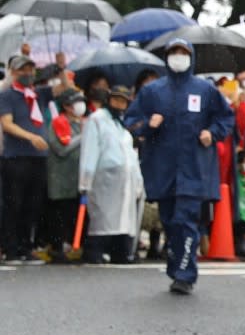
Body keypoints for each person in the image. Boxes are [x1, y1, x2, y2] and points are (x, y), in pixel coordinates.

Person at [124, 39, 234, 294]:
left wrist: (212, 132)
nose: (178, 57)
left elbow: (225, 117)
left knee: (186, 220)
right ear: (167, 57)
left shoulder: (204, 90)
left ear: (191, 57)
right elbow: (131, 120)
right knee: (170, 221)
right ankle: (177, 267)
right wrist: (148, 124)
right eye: (174, 53)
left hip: (194, 168)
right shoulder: (153, 91)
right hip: (162, 168)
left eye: (183, 53)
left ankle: (185, 274)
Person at [79, 85, 146, 265]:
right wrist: (85, 180)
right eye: (116, 100)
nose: (119, 104)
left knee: (123, 219)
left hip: (125, 180)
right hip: (104, 179)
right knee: (103, 218)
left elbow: (131, 156)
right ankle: (95, 251)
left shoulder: (122, 126)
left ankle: (120, 252)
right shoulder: (97, 120)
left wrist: (138, 181)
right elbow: (90, 151)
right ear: (109, 100)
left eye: (123, 101)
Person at [1, 53, 55, 262]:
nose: (27, 73)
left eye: (30, 69)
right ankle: (11, 248)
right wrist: (31, 136)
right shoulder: (7, 95)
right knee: (14, 204)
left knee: (33, 205)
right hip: (16, 156)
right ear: (13, 72)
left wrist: (60, 69)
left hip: (38, 157)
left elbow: (64, 89)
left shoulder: (38, 94)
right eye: (23, 70)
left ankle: (26, 247)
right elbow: (6, 123)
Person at [44, 87, 88, 262]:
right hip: (61, 179)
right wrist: (83, 136)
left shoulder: (82, 123)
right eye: (76, 103)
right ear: (67, 106)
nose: (80, 106)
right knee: (59, 215)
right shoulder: (58, 123)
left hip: (78, 178)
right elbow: (62, 149)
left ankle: (74, 247)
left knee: (75, 214)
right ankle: (57, 248)